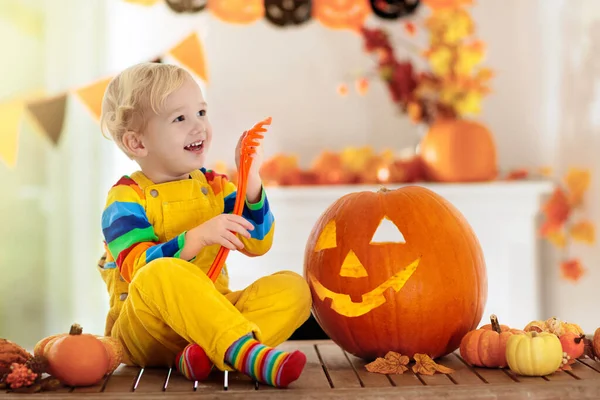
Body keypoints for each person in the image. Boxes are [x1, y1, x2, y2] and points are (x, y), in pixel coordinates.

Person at [96, 62, 311, 388]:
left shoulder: (215, 184)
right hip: (147, 328)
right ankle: (246, 354)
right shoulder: (126, 197)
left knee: (294, 289)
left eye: (201, 112)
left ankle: (205, 354)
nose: (199, 126)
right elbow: (138, 269)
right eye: (180, 118)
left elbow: (259, 242)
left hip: (211, 316)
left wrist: (250, 183)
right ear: (137, 143)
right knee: (159, 272)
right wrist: (195, 238)